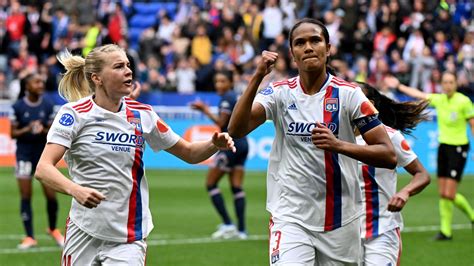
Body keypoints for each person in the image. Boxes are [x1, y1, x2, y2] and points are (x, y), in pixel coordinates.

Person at [34, 44, 236, 265]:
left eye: (128, 65)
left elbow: (188, 153)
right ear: (97, 78)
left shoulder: (143, 114)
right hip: (83, 229)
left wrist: (213, 144)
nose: (128, 71)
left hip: (129, 236)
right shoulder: (74, 115)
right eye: (119, 66)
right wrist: (76, 190)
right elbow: (44, 168)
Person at [228, 18, 397, 265]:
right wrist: (257, 77)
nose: (308, 47)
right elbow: (236, 128)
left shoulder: (350, 95)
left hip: (341, 220)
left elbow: (388, 155)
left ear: (328, 48)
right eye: (300, 43)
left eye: (315, 40)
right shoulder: (279, 93)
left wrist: (338, 145)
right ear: (293, 54)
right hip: (290, 216)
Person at [385, 73, 474, 240]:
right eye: (445, 82)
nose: (448, 85)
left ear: (456, 84)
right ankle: (446, 231)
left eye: (451, 82)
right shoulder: (439, 99)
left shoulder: (464, 101)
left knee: (449, 193)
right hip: (444, 148)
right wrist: (398, 86)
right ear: (441, 84)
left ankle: (472, 216)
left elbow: (472, 124)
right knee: (443, 193)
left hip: (459, 148)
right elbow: (418, 94)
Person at [356, 82, 431, 265]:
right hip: (343, 233)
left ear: (369, 104)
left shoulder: (389, 137)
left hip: (381, 230)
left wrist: (405, 192)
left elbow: (422, 174)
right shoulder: (336, 137)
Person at [191, 70, 249, 240]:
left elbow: (221, 123)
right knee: (236, 187)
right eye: (217, 81)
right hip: (243, 143)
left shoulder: (227, 98)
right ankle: (242, 230)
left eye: (223, 81)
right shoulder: (234, 96)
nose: (219, 84)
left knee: (211, 183)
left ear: (230, 82)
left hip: (230, 144)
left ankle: (228, 224)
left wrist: (204, 110)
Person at [10, 73, 65, 249]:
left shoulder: (48, 105)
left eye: (42, 81)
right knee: (26, 196)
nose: (41, 84)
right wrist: (27, 128)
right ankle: (29, 237)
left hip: (44, 156)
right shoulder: (18, 106)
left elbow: (53, 130)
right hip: (24, 155)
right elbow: (12, 133)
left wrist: (42, 130)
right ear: (27, 87)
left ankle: (53, 229)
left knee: (51, 195)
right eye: (36, 82)